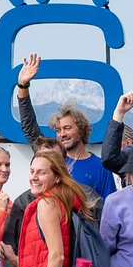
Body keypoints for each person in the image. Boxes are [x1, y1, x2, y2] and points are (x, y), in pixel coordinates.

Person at [15, 56, 115, 203]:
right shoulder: (51, 157)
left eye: (67, 128)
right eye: (58, 130)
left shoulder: (100, 167)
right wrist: (23, 86)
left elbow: (109, 207)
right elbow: (29, 127)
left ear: (81, 130)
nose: (62, 134)